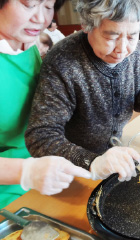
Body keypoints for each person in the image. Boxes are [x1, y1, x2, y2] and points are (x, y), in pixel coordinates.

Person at [25, 0, 140, 183]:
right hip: (72, 168)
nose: (123, 49)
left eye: (132, 36)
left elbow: (137, 92)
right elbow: (41, 135)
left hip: (115, 156)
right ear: (86, 26)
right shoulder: (63, 60)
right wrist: (92, 162)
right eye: (111, 37)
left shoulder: (137, 51)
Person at [0, 0, 92, 209]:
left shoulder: (26, 43)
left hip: (51, 174)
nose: (41, 18)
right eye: (28, 4)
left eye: (48, 6)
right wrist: (26, 172)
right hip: (9, 193)